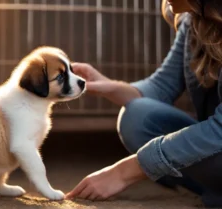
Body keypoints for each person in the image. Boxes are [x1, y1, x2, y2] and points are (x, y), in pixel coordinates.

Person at [65, 0, 222, 207]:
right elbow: (163, 85)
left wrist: (128, 170)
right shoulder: (191, 20)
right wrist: (107, 86)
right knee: (138, 116)